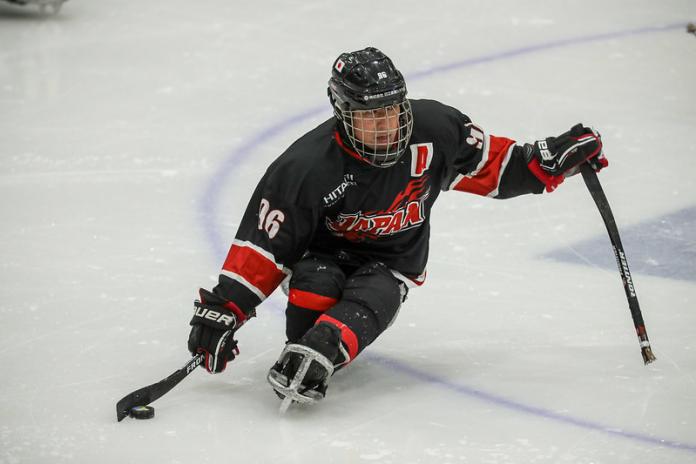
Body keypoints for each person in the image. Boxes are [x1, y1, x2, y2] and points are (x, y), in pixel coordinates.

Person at [187, 47, 607, 407]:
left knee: (376, 292)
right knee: (317, 281)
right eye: (371, 116)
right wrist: (225, 309)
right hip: (320, 257)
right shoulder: (305, 167)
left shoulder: (436, 130)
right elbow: (265, 246)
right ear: (344, 114)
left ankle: (326, 348)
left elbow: (494, 167)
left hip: (390, 262)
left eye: (392, 110)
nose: (387, 126)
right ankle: (305, 347)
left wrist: (545, 163)